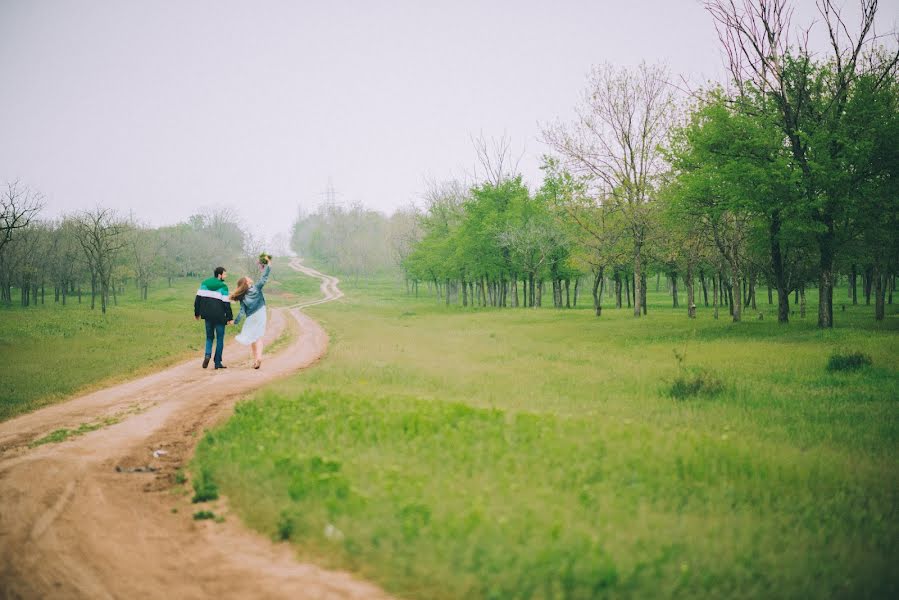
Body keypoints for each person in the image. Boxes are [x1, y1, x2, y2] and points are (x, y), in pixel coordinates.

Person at [231, 257, 272, 369]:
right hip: (260, 314)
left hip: (250, 317)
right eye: (247, 278)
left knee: (252, 338)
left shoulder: (242, 296)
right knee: (258, 337)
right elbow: (264, 278)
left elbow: (242, 312)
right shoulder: (256, 288)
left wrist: (235, 322)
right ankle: (258, 358)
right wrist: (269, 264)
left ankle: (255, 360)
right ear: (247, 282)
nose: (249, 277)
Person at [194, 266, 234, 370]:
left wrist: (197, 313)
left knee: (209, 337)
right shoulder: (223, 287)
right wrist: (230, 318)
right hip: (220, 317)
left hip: (207, 316)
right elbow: (226, 304)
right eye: (224, 274)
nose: (226, 276)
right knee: (220, 339)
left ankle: (207, 355)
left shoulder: (204, 284)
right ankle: (217, 362)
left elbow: (197, 300)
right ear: (219, 275)